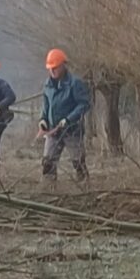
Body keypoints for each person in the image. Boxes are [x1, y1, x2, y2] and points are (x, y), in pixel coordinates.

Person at [36, 48, 92, 184]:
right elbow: (46, 106)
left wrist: (68, 119)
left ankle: (85, 187)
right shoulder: (47, 85)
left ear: (63, 66)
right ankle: (49, 191)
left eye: (55, 68)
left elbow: (84, 104)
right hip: (53, 131)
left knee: (78, 162)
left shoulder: (75, 83)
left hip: (72, 130)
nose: (52, 71)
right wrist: (43, 120)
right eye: (50, 68)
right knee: (48, 163)